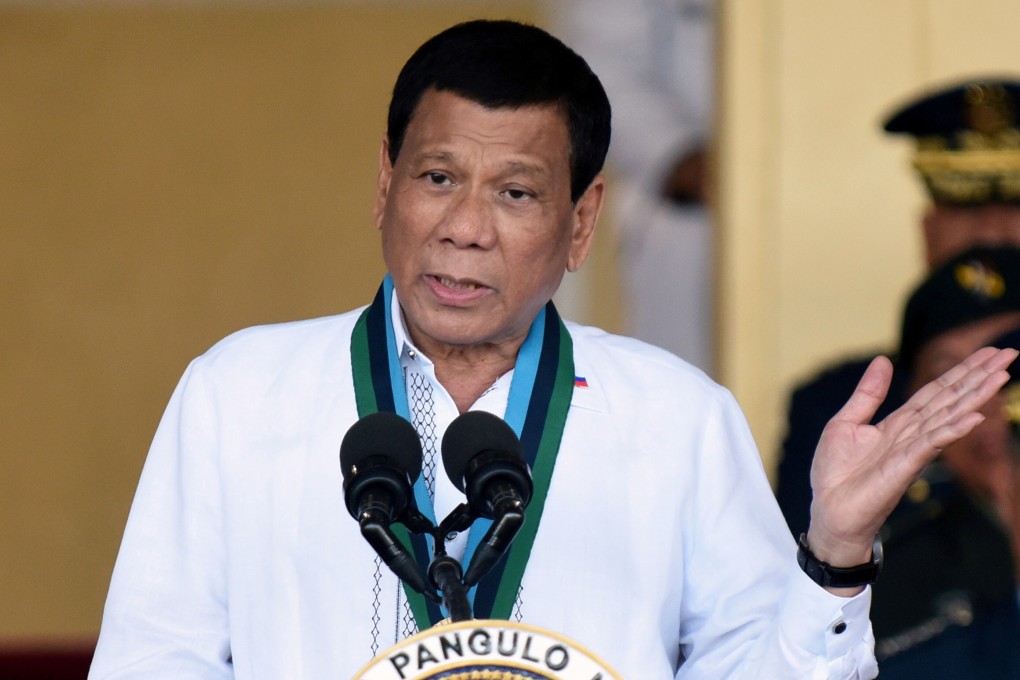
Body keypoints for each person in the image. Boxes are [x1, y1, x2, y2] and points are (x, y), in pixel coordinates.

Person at [88, 20, 1016, 679]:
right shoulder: (239, 395)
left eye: (517, 194)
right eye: (438, 176)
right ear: (384, 185)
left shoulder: (675, 417)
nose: (463, 228)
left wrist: (837, 554)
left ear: (582, 224)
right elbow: (152, 662)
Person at [775, 77, 1020, 539]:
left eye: (1013, 206)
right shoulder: (842, 408)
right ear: (928, 230)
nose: (991, 231)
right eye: (965, 207)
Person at [863, 246, 1020, 678]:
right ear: (913, 401)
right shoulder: (878, 578)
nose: (987, 401)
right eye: (950, 378)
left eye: (1009, 366)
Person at [548, 0, 716, 374]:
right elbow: (597, 67)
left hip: (814, 178)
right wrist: (681, 156)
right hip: (683, 206)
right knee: (681, 384)